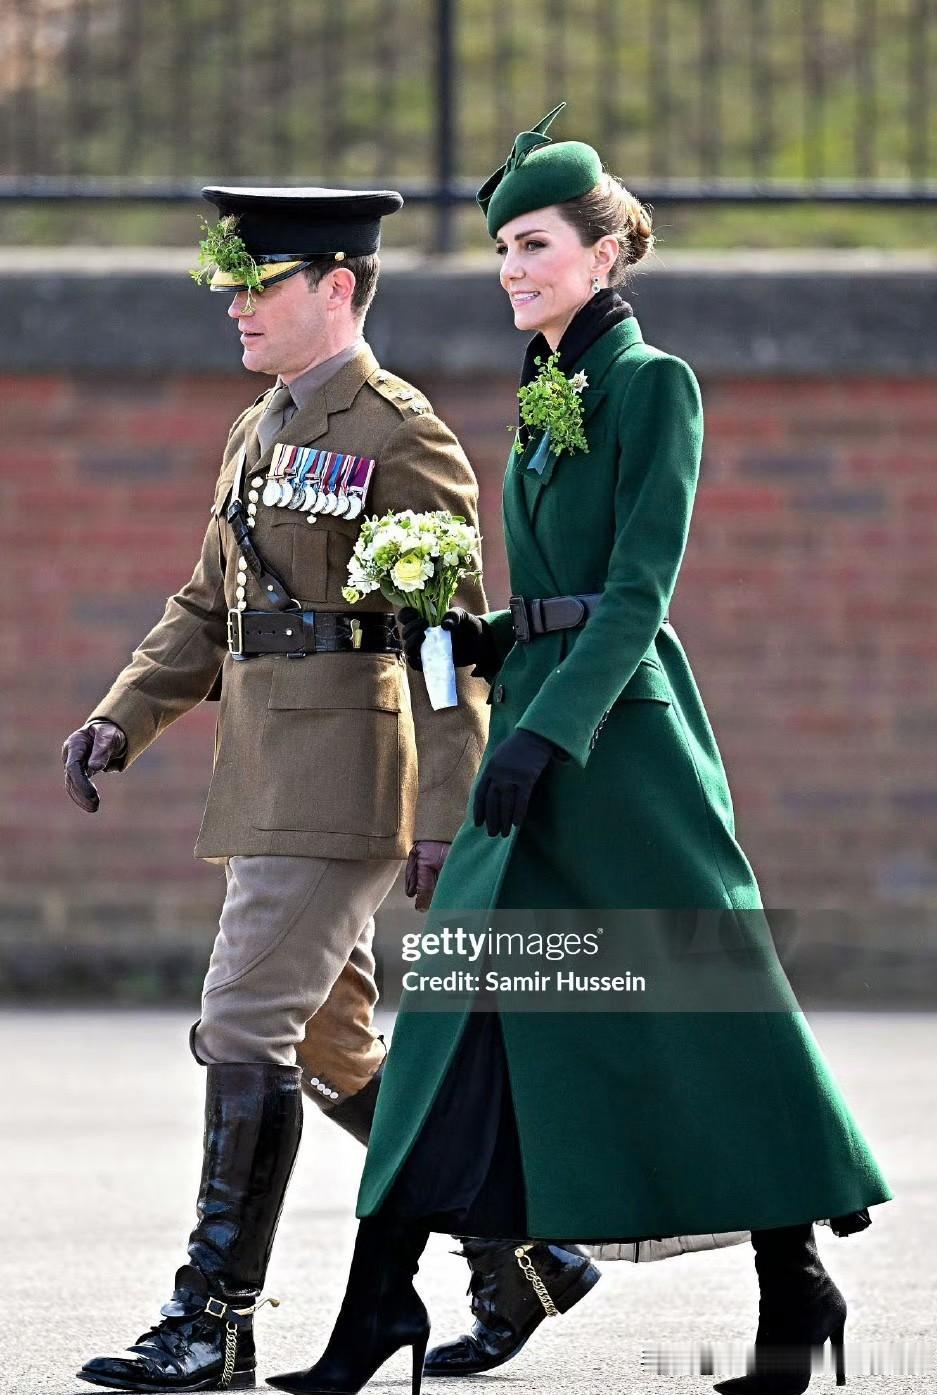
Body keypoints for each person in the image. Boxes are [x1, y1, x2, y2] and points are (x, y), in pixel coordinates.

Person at [266, 108, 894, 1395]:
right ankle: (377, 1305)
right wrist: (471, 638)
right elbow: (554, 595)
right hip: (545, 724)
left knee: (706, 1019)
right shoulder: (542, 392)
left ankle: (797, 1285)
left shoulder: (655, 385)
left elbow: (637, 593)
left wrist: (542, 733)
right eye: (502, 249)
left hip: (623, 751)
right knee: (453, 1012)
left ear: (605, 254)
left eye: (537, 245)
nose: (513, 269)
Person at [62, 185, 596, 1393]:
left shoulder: (400, 434)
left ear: (340, 288)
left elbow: (446, 643)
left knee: (243, 1024)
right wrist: (120, 717)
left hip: (350, 785)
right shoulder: (258, 428)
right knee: (340, 1048)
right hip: (262, 772)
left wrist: (445, 815)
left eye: (263, 284)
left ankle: (214, 1318)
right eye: (232, 285)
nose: (238, 307)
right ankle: (519, 1244)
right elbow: (209, 605)